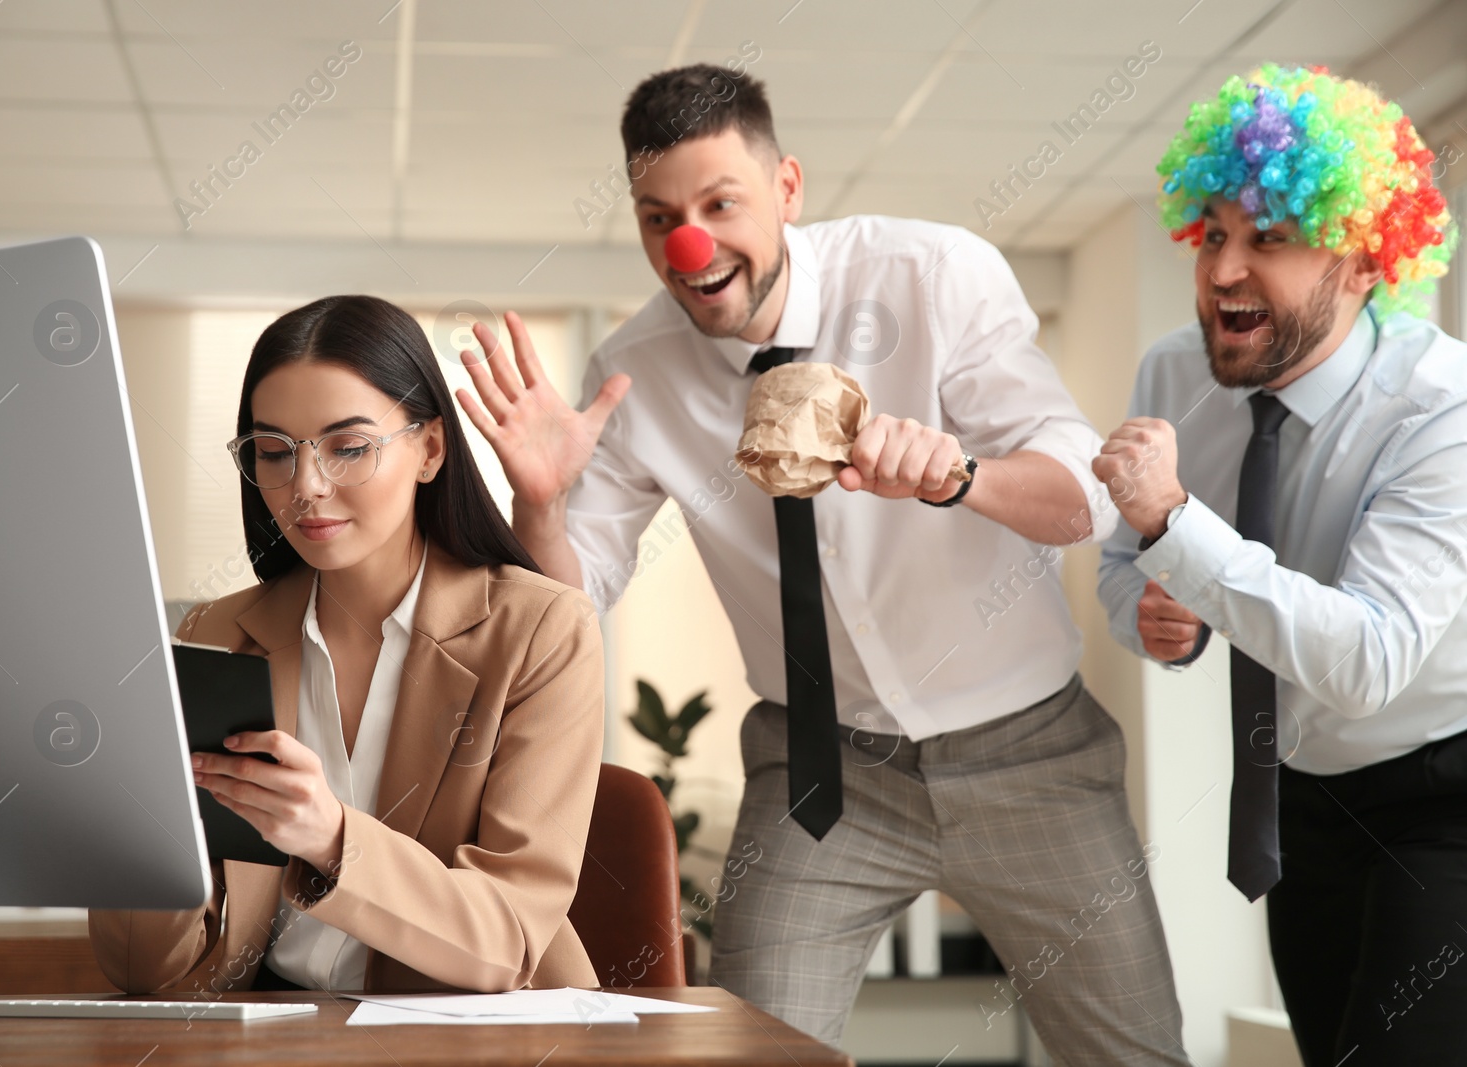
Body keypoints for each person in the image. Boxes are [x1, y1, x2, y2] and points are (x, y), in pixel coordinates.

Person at [458, 64, 1190, 1063]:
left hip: (1031, 754)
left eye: (721, 203)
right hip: (817, 770)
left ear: (787, 188)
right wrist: (537, 502)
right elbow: (568, 608)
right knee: (754, 1054)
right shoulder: (635, 371)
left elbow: (1082, 493)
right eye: (658, 214)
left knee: (1135, 1055)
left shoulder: (930, 274)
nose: (691, 243)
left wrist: (956, 474)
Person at [1093, 65, 1462, 1066]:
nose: (1220, 271)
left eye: (1269, 238)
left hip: (1444, 792)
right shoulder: (1176, 371)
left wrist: (1178, 523)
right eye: (1211, 233)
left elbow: (1369, 658)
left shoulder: (1442, 411)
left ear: (1356, 260)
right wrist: (1149, 615)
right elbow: (1127, 564)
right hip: (1301, 793)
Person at [88, 295, 604, 996]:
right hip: (269, 1032)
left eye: (349, 447)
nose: (305, 487)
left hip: (469, 1038)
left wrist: (331, 836)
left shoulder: (543, 631)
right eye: (273, 452)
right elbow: (141, 973)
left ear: (430, 448)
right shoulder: (212, 635)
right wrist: (144, 823)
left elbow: (506, 939)